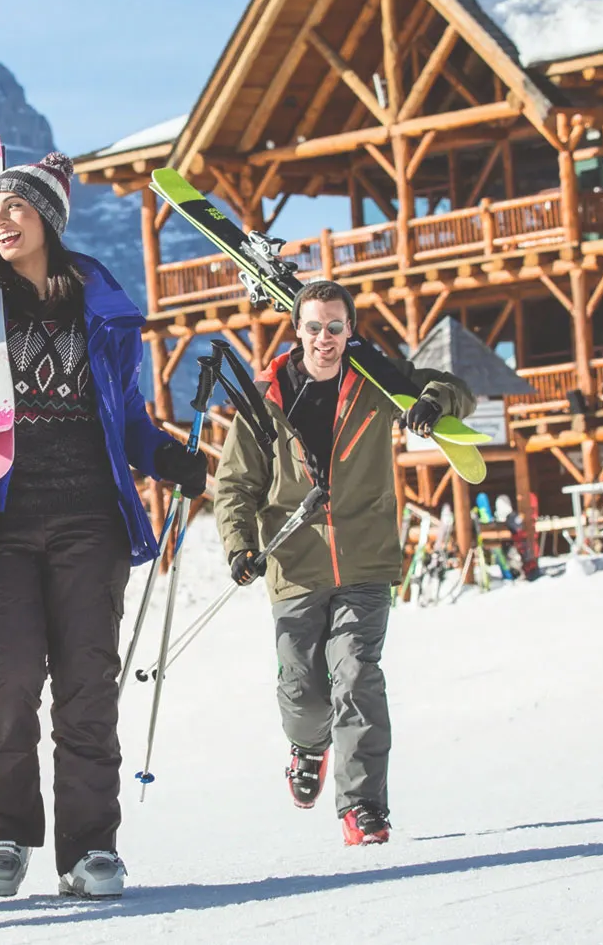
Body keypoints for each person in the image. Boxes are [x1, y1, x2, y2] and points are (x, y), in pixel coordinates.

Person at [0, 151, 203, 901]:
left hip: (88, 518)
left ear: (48, 219)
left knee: (86, 688)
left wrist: (172, 460)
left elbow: (128, 418)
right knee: (7, 682)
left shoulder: (98, 308)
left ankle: (91, 849)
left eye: (17, 207)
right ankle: (4, 832)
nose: (3, 220)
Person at [210, 280, 472, 847]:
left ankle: (363, 807)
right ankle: (308, 748)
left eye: (335, 327)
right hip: (294, 564)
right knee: (303, 692)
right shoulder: (266, 398)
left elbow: (455, 390)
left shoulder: (377, 383)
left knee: (356, 675)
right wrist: (238, 546)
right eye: (313, 327)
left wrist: (431, 402)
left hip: (366, 561)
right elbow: (234, 485)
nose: (324, 339)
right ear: (297, 330)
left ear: (350, 329)